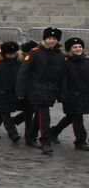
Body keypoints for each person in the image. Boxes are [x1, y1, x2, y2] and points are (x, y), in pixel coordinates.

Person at [17, 27, 68, 156]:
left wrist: (62, 93)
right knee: (44, 116)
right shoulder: (35, 53)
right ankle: (45, 142)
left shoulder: (61, 56)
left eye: (54, 39)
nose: (52, 41)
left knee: (40, 115)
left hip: (51, 91)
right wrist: (20, 90)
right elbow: (24, 73)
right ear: (45, 39)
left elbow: (62, 76)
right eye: (49, 38)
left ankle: (30, 137)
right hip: (36, 89)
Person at [48, 36, 88, 150]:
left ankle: (54, 131)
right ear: (69, 50)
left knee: (71, 117)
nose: (78, 48)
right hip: (71, 96)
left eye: (80, 46)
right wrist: (63, 96)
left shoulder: (86, 61)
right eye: (74, 47)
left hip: (84, 95)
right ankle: (80, 141)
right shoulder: (65, 63)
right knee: (77, 118)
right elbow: (63, 80)